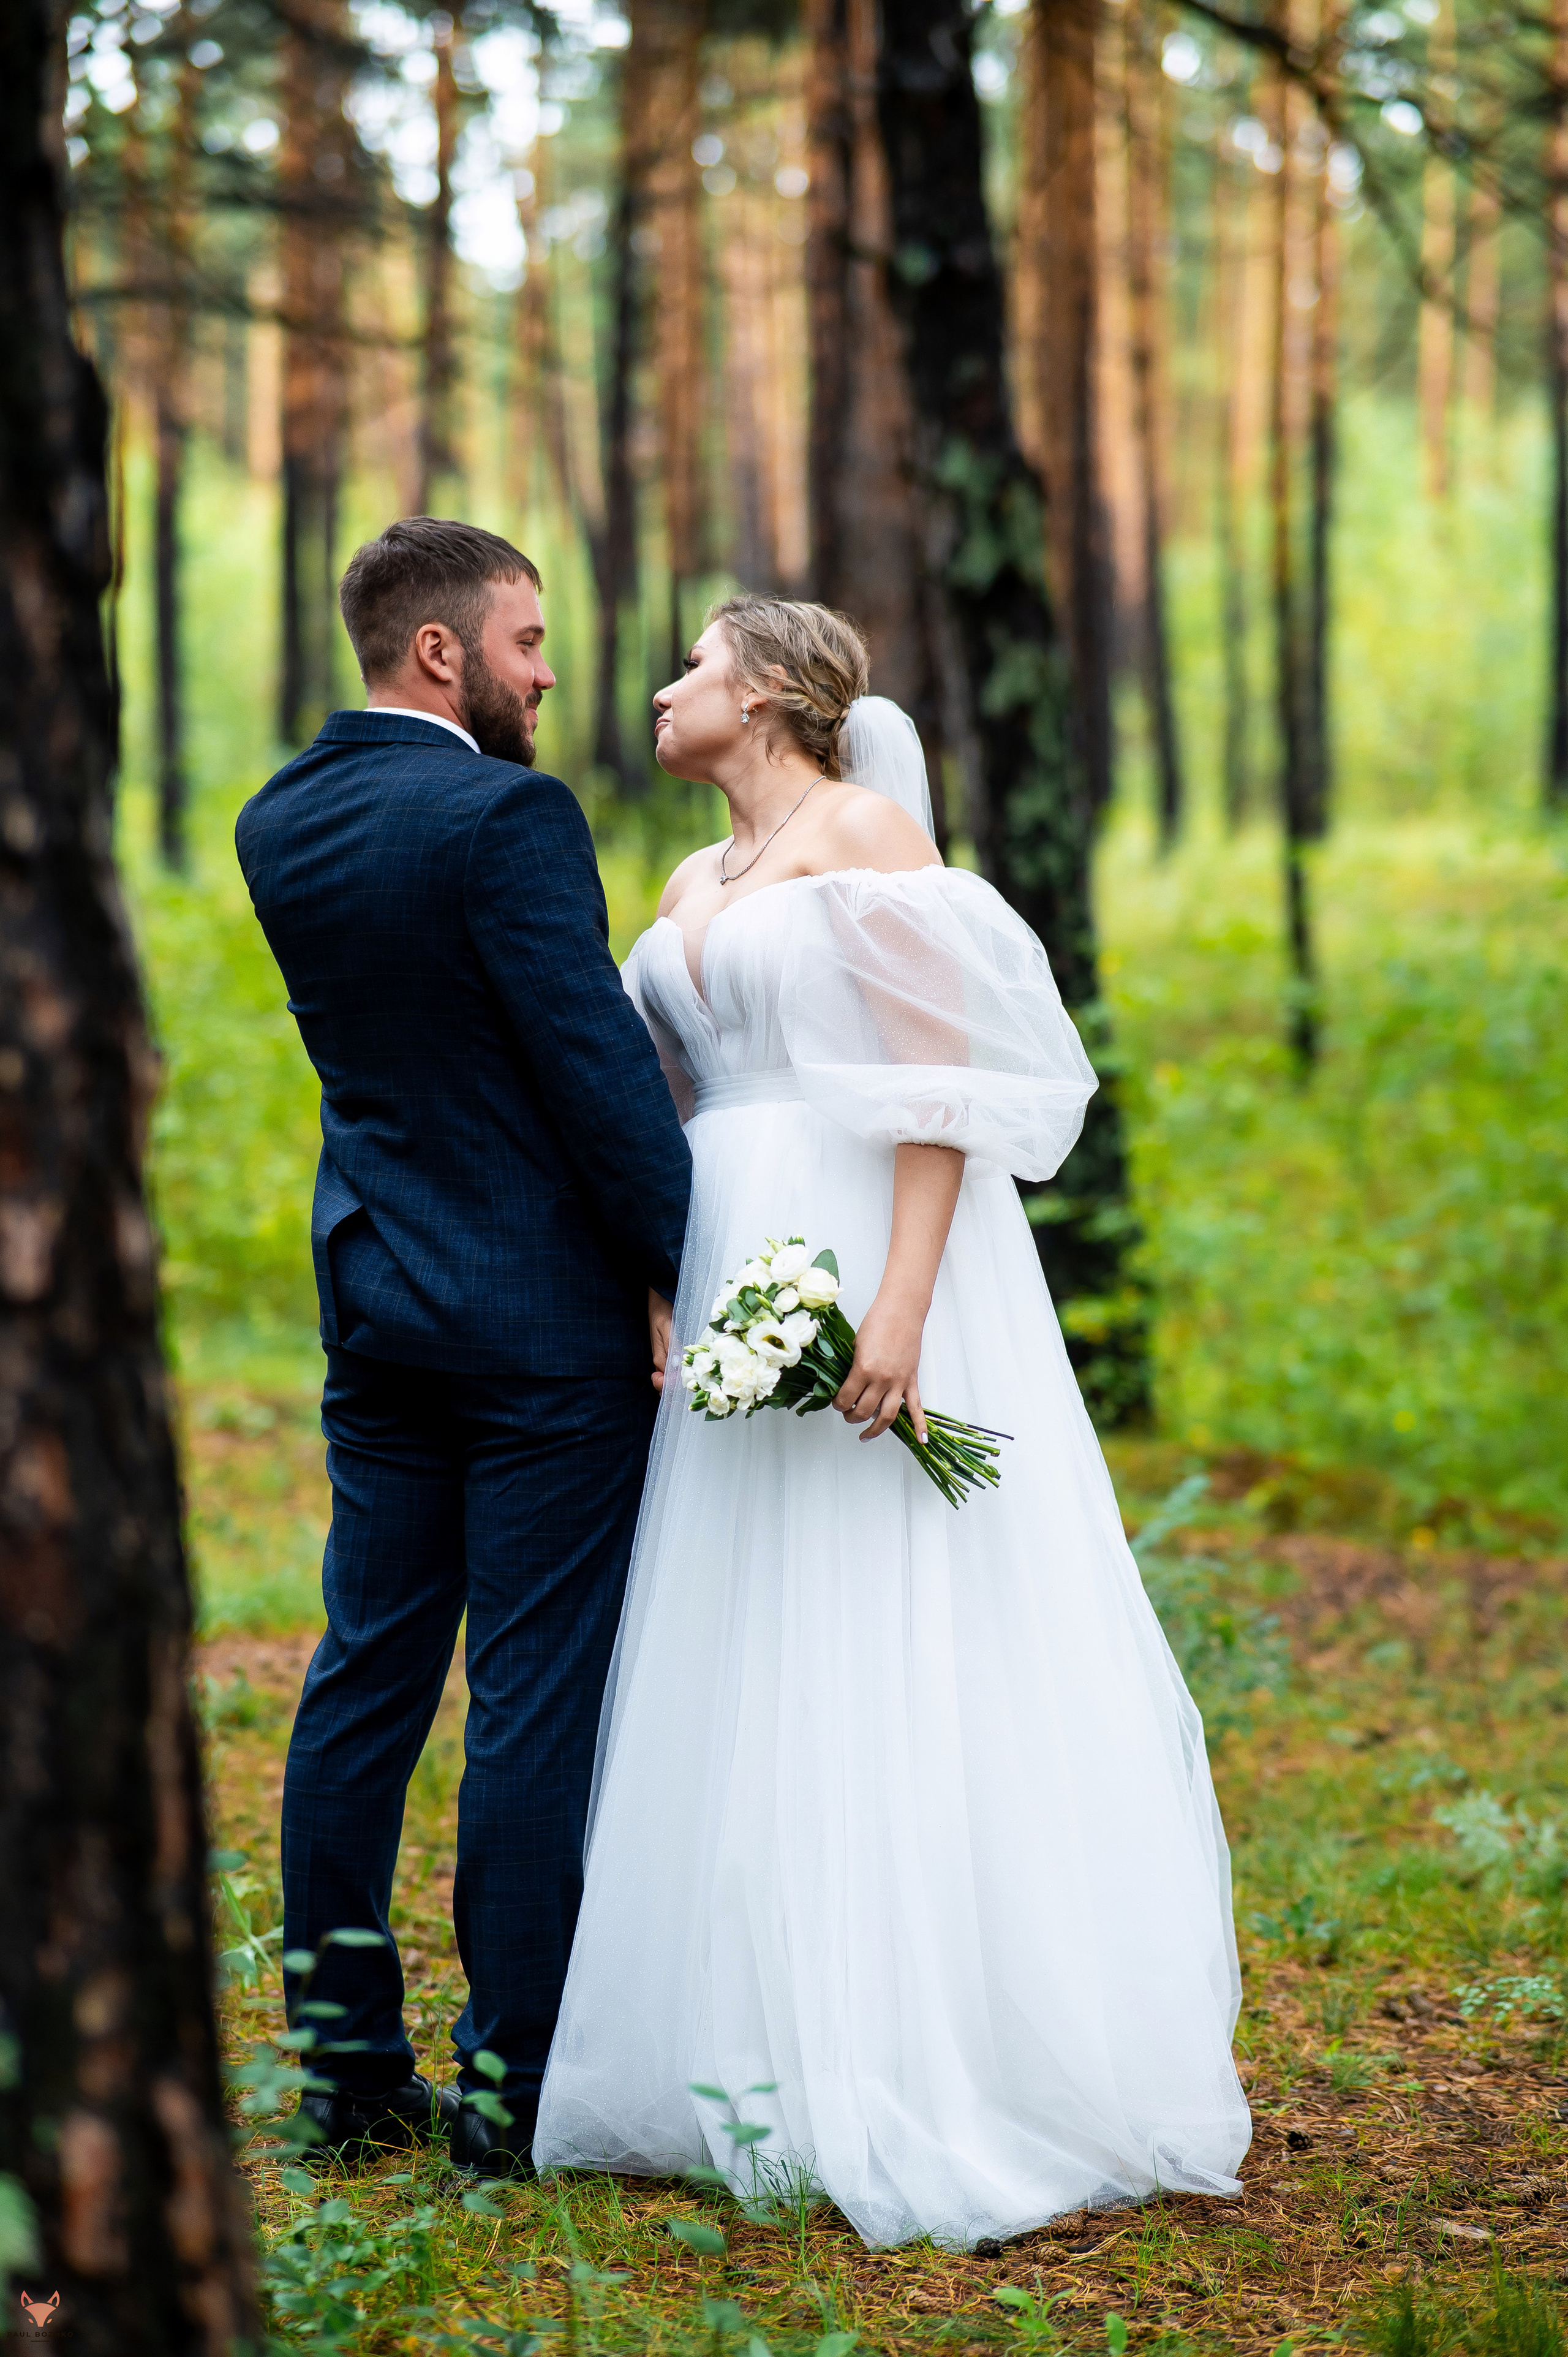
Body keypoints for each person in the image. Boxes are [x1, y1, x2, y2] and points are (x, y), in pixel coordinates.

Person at [532, 596, 1252, 2249]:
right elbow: (670, 1107)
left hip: (862, 1239)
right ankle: (743, 2050)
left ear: (771, 692)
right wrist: (663, 1287)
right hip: (728, 1260)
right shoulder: (686, 881)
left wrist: (905, 1306)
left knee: (877, 1601)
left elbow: (940, 1087)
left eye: (695, 664)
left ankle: (919, 2046)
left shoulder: (866, 834)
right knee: (741, 1626)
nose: (664, 687)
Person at [235, 518, 692, 2177]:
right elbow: (595, 1076)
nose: (546, 674)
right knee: (530, 1700)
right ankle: (509, 2093)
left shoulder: (280, 815)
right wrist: (690, 1270)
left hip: (378, 1297)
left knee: (363, 1676)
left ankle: (349, 2076)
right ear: (442, 651)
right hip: (540, 1327)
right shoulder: (508, 817)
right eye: (527, 640)